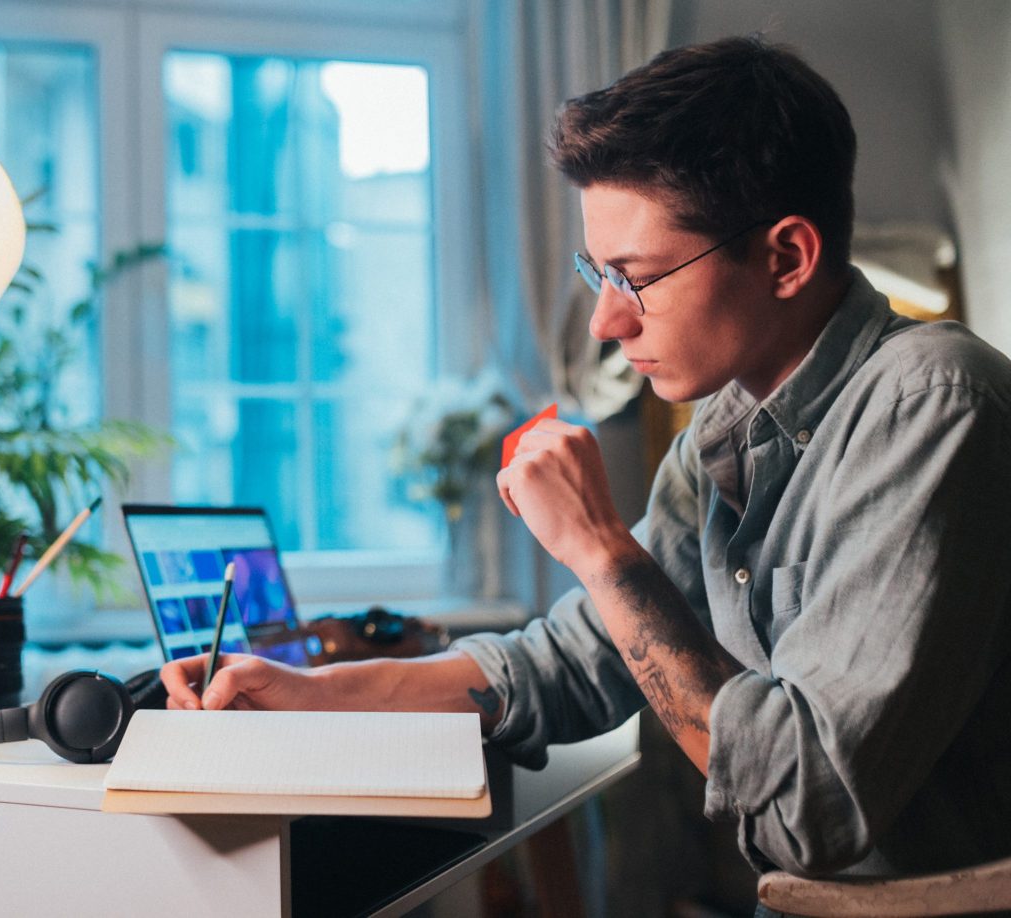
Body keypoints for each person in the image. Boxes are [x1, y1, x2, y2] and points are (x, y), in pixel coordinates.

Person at [160, 35, 1011, 885]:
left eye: (634, 278)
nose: (606, 322)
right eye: (594, 273)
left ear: (785, 257)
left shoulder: (933, 404)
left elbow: (803, 812)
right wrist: (308, 695)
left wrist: (601, 549)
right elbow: (573, 662)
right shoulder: (723, 431)